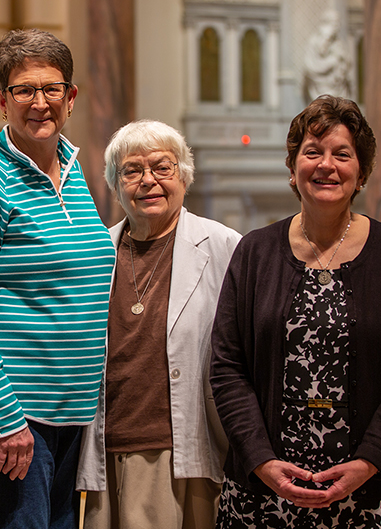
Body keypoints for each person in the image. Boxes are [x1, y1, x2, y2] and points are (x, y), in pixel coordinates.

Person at [210, 95, 381, 527]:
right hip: (264, 490)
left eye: (342, 154)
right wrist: (260, 460)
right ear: (293, 167)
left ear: (361, 171)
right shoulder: (254, 252)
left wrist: (370, 460)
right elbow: (227, 366)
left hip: (369, 492)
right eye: (312, 152)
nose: (326, 165)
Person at [0, 28, 116, 529]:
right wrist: (2, 416)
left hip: (67, 412)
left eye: (52, 88)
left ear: (71, 97)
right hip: (9, 413)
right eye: (24, 90)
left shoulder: (76, 172)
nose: (40, 102)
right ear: (2, 100)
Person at [76, 120, 242, 529]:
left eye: (162, 168)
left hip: (185, 448)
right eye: (132, 171)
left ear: (183, 175)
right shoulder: (98, 249)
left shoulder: (224, 246)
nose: (148, 180)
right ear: (116, 184)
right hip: (106, 444)